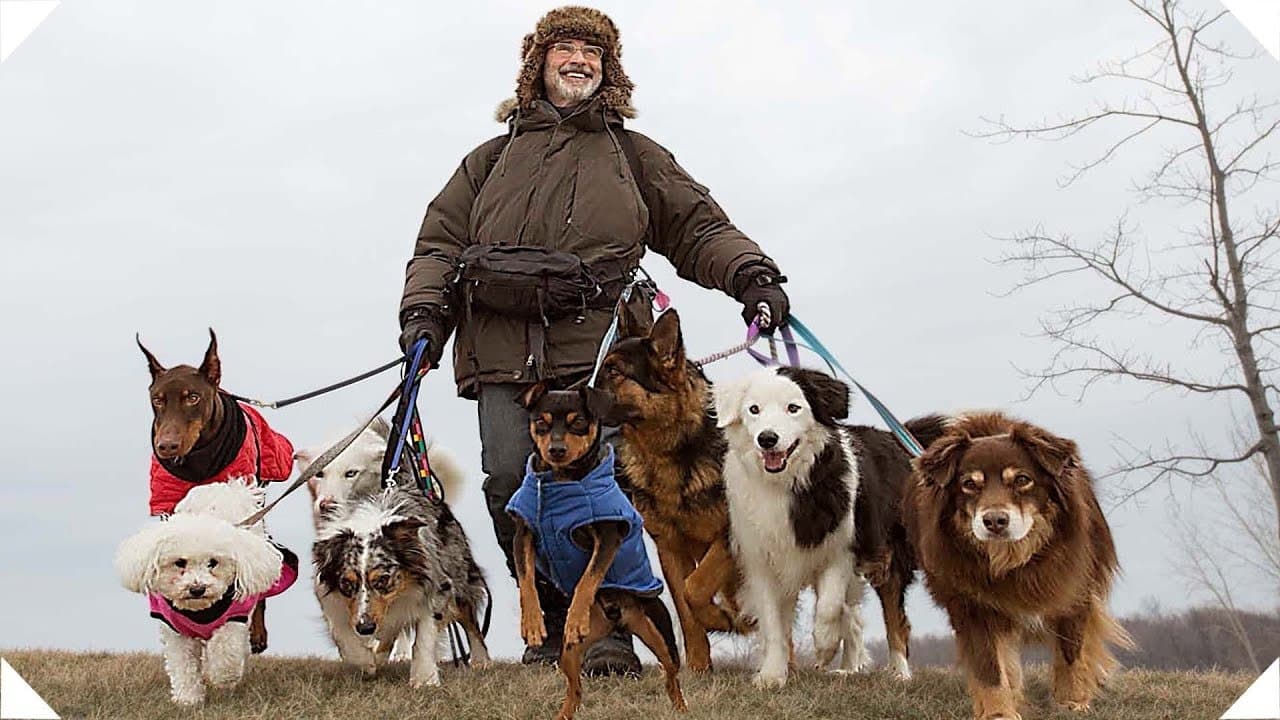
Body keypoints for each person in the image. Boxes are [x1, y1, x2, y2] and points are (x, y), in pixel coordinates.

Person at [398, 5, 789, 675]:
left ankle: (609, 630)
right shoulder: (488, 162)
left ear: (608, 70)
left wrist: (752, 275)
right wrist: (425, 317)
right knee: (508, 486)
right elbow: (439, 245)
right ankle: (553, 627)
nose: (577, 59)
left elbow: (697, 229)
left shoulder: (633, 156)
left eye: (592, 51)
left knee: (604, 493)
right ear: (539, 63)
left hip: (602, 353)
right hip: (501, 353)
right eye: (564, 48)